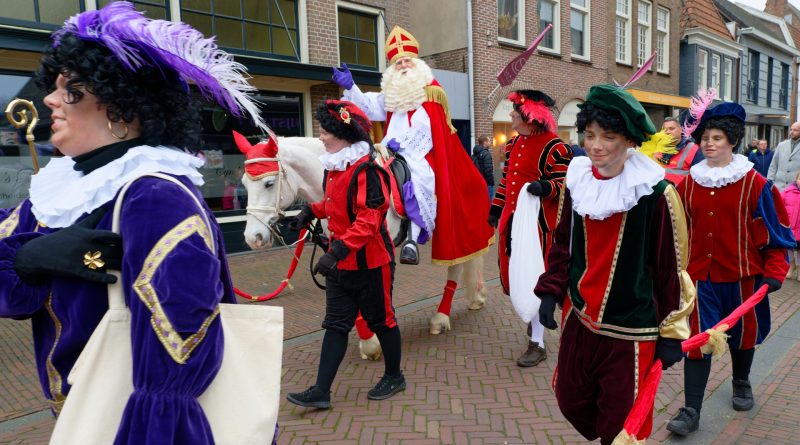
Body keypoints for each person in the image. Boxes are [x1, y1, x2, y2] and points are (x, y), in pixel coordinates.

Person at [0, 2, 268, 442]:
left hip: (126, 424)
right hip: (82, 415)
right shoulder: (59, 187)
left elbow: (177, 358)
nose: (48, 98)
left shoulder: (154, 197)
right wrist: (30, 257)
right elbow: (11, 295)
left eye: (71, 88)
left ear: (122, 109)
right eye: (56, 85)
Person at [535, 84, 694, 444]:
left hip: (631, 331)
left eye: (607, 136)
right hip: (580, 320)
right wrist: (551, 291)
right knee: (570, 399)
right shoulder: (576, 182)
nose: (596, 145)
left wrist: (671, 331)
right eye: (589, 135)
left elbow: (673, 269)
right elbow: (562, 245)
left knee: (621, 429)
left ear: (628, 140)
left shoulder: (656, 194)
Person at [667, 102, 795, 437]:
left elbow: (775, 229)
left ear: (733, 141)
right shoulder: (689, 183)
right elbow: (676, 228)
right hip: (700, 280)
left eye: (718, 137)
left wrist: (775, 270)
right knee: (698, 341)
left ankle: (741, 382)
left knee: (742, 337)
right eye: (706, 137)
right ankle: (692, 408)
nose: (709, 143)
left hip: (743, 278)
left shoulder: (755, 184)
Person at [331, 26, 493, 266]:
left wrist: (403, 144)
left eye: (407, 60)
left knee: (418, 178)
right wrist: (351, 86)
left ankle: (411, 239)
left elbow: (428, 128)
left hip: (417, 153)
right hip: (385, 148)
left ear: (416, 63)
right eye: (398, 63)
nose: (403, 65)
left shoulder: (430, 92)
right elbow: (368, 107)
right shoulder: (392, 94)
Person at [285, 100, 404, 408]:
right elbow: (334, 204)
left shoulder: (367, 171)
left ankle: (394, 376)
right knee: (336, 324)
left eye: (325, 131)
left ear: (341, 133)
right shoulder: (336, 168)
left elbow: (369, 219)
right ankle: (321, 391)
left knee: (383, 322)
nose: (321, 137)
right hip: (341, 265)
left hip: (371, 264)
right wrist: (309, 211)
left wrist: (335, 251)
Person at [488, 90, 572, 367]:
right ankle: (533, 321)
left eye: (515, 111)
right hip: (512, 224)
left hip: (539, 229)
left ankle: (537, 343)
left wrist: (545, 187)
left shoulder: (555, 147)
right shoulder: (513, 145)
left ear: (529, 116)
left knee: (535, 280)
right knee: (516, 278)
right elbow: (505, 183)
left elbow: (564, 187)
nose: (511, 115)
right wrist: (496, 209)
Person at [659, 115, 704, 184]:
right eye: (664, 129)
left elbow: (701, 179)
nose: (667, 132)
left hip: (682, 193)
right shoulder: (657, 149)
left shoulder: (694, 149)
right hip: (660, 193)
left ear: (680, 130)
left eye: (671, 128)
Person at [767, 121, 800, 189]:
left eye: (795, 130)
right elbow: (773, 166)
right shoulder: (781, 145)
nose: (792, 132)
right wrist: (770, 182)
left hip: (795, 189)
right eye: (791, 129)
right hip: (778, 188)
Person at [781, 172, 800, 280]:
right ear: (795, 179)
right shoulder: (787, 192)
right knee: (790, 248)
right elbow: (779, 205)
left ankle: (799, 268)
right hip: (790, 227)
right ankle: (791, 266)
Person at [471, 135, 495, 201]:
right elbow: (488, 171)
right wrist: (491, 183)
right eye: (489, 141)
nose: (490, 143)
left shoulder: (474, 154)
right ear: (485, 142)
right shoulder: (486, 154)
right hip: (486, 184)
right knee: (488, 204)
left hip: (477, 183)